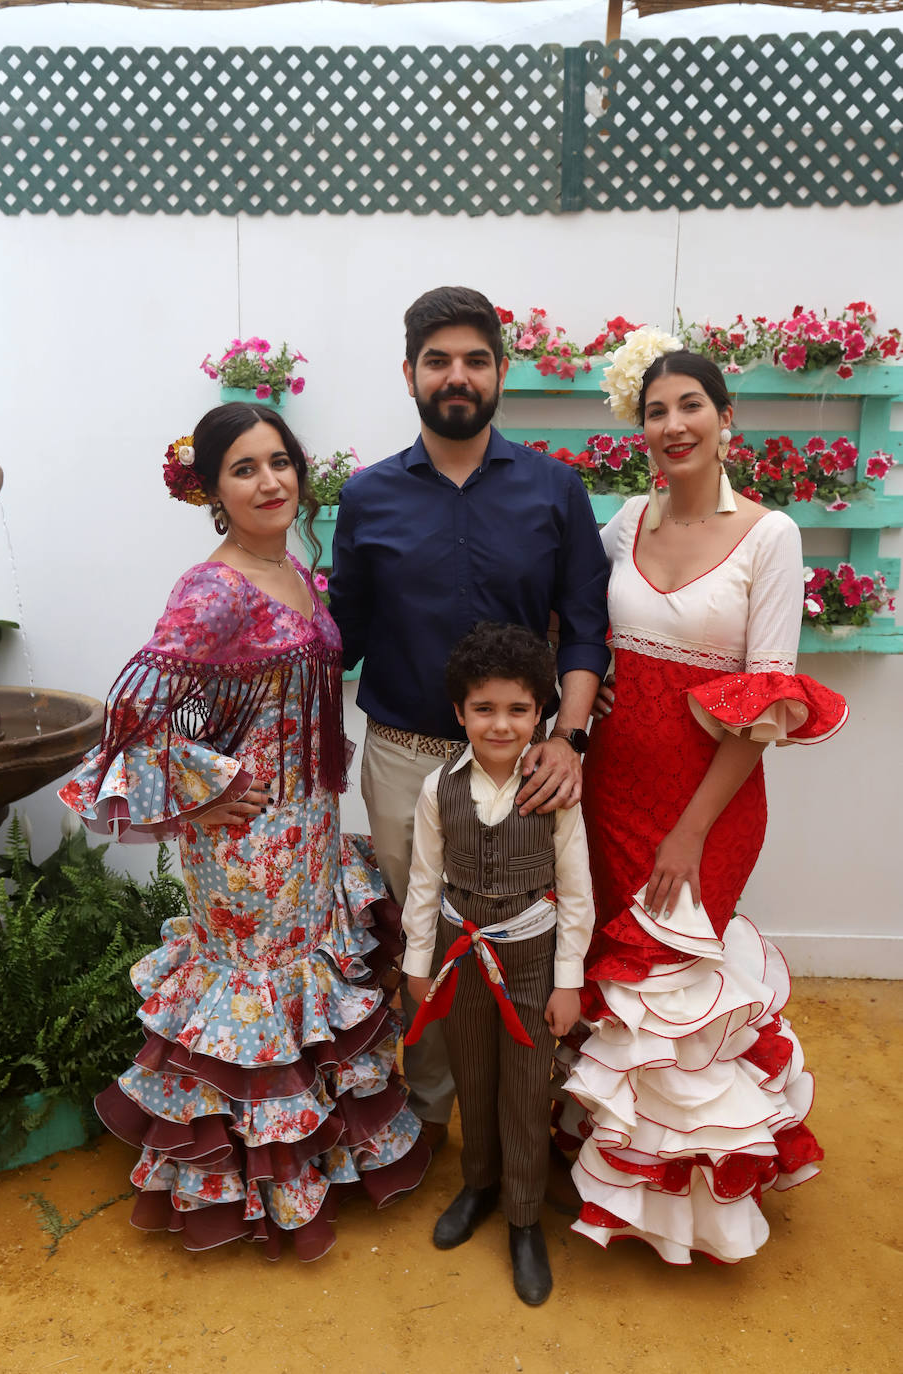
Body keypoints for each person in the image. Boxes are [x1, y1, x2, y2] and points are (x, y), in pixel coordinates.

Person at [59, 403, 429, 1261]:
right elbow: (131, 708)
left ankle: (315, 1163)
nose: (270, 482)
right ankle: (252, 1191)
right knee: (257, 999)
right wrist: (199, 795)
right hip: (243, 847)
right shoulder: (214, 587)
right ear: (214, 490)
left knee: (300, 993)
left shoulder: (294, 567)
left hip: (307, 830)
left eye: (280, 462)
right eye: (245, 469)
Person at [557, 331, 847, 1265]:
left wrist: (688, 831)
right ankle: (620, 1173)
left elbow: (766, 701)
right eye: (655, 410)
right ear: (638, 428)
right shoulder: (623, 523)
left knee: (675, 988)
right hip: (607, 792)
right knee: (614, 982)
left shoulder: (771, 535)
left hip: (705, 808)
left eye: (692, 406)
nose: (673, 424)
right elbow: (586, 632)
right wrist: (587, 681)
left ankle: (697, 1207)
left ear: (727, 420)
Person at [329, 286, 610, 1150]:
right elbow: (337, 639)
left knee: (526, 939)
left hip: (522, 763)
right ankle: (436, 1112)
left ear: (500, 372)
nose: (458, 376)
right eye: (439, 360)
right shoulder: (368, 497)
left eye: (475, 360)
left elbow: (588, 630)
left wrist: (568, 739)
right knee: (429, 938)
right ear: (410, 373)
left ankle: (525, 1113)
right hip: (405, 758)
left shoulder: (555, 491)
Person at [400, 623, 595, 1304]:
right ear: (459, 713)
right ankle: (479, 1186)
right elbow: (425, 881)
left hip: (531, 961)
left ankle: (523, 1218)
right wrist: (417, 964)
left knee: (522, 1089)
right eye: (484, 709)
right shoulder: (438, 788)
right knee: (472, 1077)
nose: (501, 724)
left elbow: (576, 892)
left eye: (518, 709)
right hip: (459, 961)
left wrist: (567, 982)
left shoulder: (555, 790)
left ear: (540, 711)